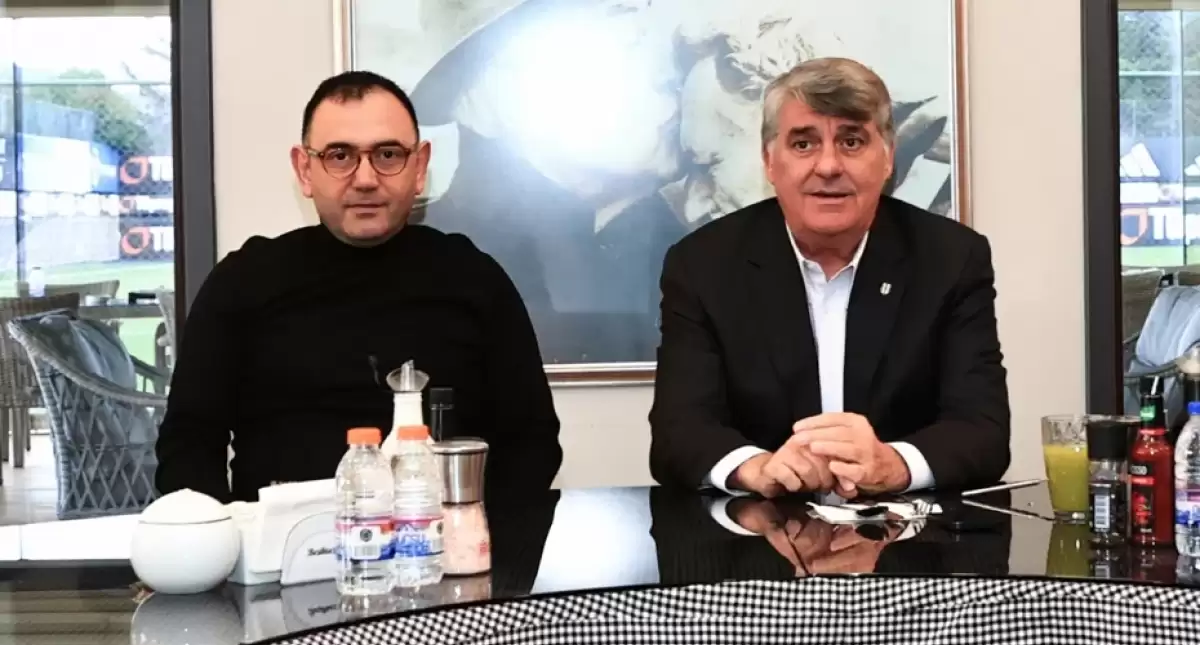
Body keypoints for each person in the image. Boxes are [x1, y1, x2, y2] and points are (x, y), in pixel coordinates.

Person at [155, 71, 563, 504]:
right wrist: (225, 537)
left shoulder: (475, 280)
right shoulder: (242, 283)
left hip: (444, 541)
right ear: (305, 169)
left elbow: (532, 441)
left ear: (420, 167)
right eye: (340, 155)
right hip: (277, 542)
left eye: (387, 154)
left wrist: (479, 531)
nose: (365, 178)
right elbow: (187, 445)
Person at [649, 57, 1010, 499]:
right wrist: (756, 468)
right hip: (761, 534)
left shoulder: (951, 258)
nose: (828, 166)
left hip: (908, 534)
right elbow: (678, 433)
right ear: (769, 161)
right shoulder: (703, 264)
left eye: (851, 141)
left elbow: (982, 431)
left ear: (887, 157)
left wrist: (894, 464)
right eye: (803, 144)